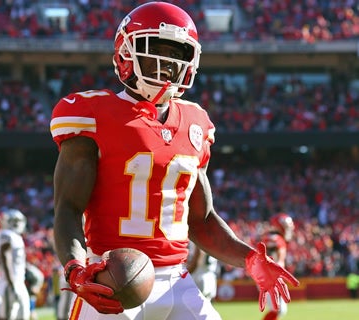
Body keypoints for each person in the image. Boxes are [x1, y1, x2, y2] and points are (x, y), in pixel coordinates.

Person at [49, 2, 300, 319]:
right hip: (113, 276)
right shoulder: (92, 114)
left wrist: (250, 259)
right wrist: (75, 268)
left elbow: (202, 220)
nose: (166, 63)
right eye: (156, 49)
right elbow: (67, 207)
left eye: (177, 53)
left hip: (177, 281)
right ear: (126, 52)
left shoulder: (196, 123)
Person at [261, 213, 295, 320]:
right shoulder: (275, 239)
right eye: (287, 227)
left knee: (280, 309)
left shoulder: (275, 238)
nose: (289, 230)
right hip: (268, 277)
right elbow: (276, 259)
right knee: (278, 309)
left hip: (269, 276)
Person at [0, 209, 31, 320]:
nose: (17, 224)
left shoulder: (17, 237)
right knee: (8, 316)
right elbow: (4, 256)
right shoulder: (7, 235)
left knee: (23, 315)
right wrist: (11, 282)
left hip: (19, 281)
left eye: (18, 221)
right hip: (10, 282)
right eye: (14, 221)